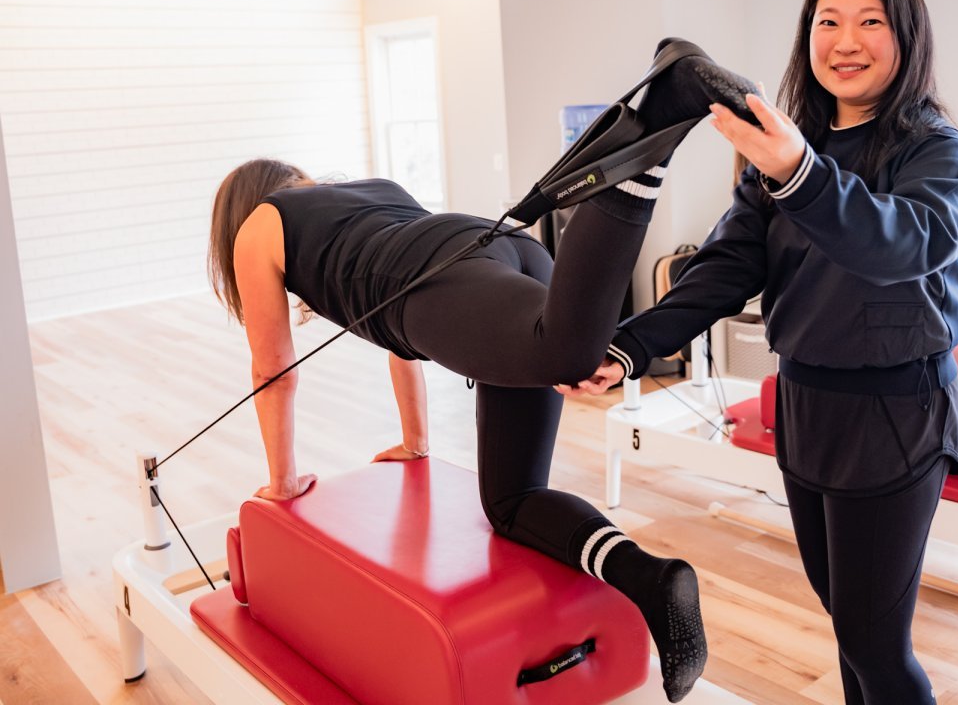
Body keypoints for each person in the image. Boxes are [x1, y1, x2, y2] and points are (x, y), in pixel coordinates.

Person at [206, 41, 763, 703]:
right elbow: (402, 340)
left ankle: (666, 114)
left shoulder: (258, 229)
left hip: (443, 287)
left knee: (567, 354)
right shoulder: (363, 192)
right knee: (512, 501)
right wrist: (417, 442)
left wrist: (282, 482)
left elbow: (274, 369)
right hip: (502, 251)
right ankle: (654, 583)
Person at [564, 0, 958, 704]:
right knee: (845, 621)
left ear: (907, 37)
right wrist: (632, 346)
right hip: (805, 408)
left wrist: (800, 174)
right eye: (829, 22)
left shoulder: (937, 152)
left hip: (895, 416)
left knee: (874, 641)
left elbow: (901, 243)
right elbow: (727, 266)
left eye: (869, 22)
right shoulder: (787, 155)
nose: (845, 41)